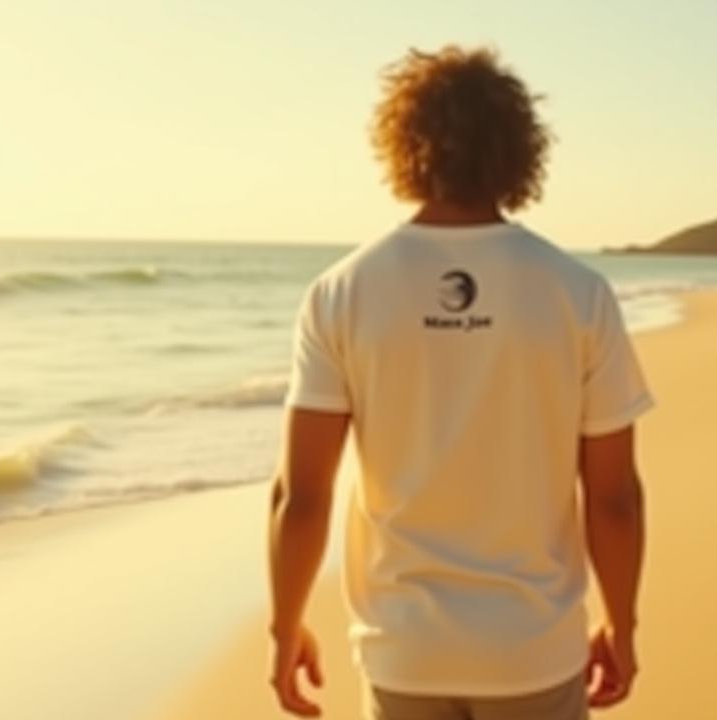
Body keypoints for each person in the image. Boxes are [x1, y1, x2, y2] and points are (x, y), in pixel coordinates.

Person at [267, 45, 653, 720]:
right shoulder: (577, 293)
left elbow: (300, 496)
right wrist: (622, 624)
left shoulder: (341, 293)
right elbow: (614, 497)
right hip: (533, 649)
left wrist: (284, 629)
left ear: (403, 144)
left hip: (404, 652)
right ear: (518, 150)